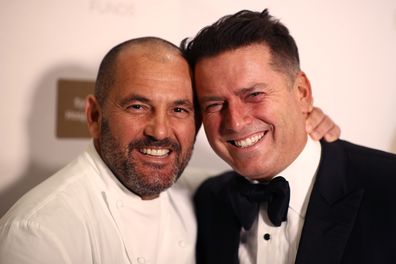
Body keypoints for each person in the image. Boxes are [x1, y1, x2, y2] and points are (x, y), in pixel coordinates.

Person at [0, 37, 337, 264]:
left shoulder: (196, 191)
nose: (159, 131)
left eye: (179, 109)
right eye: (137, 106)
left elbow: (262, 172)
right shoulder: (41, 232)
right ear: (94, 116)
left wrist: (299, 122)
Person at [181, 9, 396, 264]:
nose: (235, 122)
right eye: (214, 104)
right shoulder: (208, 200)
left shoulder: (389, 186)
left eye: (254, 95)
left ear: (302, 92)